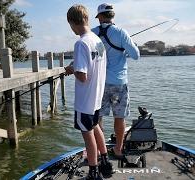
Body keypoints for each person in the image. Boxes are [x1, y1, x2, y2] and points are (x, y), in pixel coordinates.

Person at [65, 4, 113, 179]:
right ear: (86, 19)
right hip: (97, 98)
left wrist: (72, 70)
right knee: (96, 127)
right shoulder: (98, 41)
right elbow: (96, 65)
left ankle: (93, 172)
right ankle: (106, 162)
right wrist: (77, 66)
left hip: (85, 101)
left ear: (72, 22)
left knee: (88, 136)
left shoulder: (80, 43)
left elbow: (83, 76)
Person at [92, 3, 140, 159]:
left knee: (97, 118)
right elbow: (136, 55)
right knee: (119, 117)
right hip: (118, 83)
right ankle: (118, 149)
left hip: (99, 83)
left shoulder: (92, 33)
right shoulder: (121, 33)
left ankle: (99, 150)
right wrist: (127, 47)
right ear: (112, 15)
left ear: (100, 17)